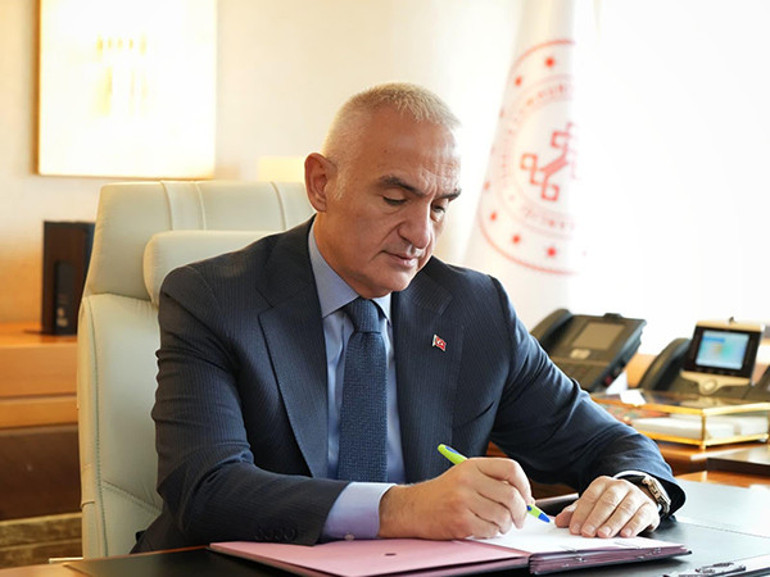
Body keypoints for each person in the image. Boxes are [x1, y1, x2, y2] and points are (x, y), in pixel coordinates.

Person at [132, 82, 684, 553]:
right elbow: (205, 489)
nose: (421, 235)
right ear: (321, 184)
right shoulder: (215, 299)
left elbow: (609, 443)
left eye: (439, 207)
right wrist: (401, 508)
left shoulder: (476, 309)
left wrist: (636, 489)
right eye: (396, 199)